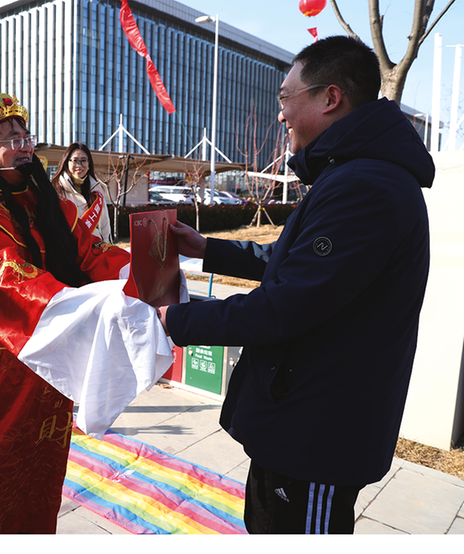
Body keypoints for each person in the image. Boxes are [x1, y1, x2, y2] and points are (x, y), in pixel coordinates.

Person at [158, 36, 434, 534]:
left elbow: (285, 304)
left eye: (286, 98)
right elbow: (292, 263)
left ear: (330, 97)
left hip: (318, 430)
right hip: (303, 416)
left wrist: (174, 319)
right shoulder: (350, 174)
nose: (280, 113)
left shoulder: (364, 186)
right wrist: (207, 248)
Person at [0, 81, 173, 534]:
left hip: (53, 369)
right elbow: (9, 281)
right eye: (9, 139)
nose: (22, 147)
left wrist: (143, 273)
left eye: (24, 136)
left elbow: (91, 253)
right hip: (0, 372)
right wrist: (94, 303)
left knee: (41, 477)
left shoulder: (47, 204)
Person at [51, 142, 114, 243]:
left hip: (95, 249)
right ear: (67, 162)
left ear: (89, 164)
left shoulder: (97, 190)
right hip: (70, 249)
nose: (79, 165)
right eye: (75, 161)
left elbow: (105, 226)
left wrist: (107, 246)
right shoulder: (55, 189)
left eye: (83, 161)